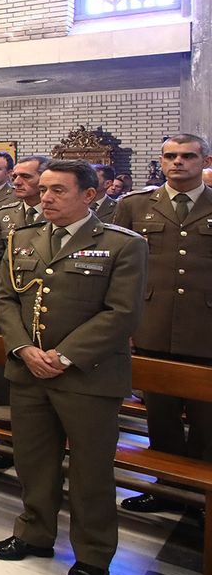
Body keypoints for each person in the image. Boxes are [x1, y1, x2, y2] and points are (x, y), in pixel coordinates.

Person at [0, 160, 145, 575]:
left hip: (87, 376)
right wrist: (23, 348)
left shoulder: (120, 244)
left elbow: (122, 313)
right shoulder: (25, 237)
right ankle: (34, 533)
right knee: (34, 461)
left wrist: (63, 355)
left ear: (89, 195)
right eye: (45, 189)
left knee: (91, 471)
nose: (46, 197)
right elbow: (6, 300)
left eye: (58, 190)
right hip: (28, 369)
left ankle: (92, 556)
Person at [113, 134, 212, 514]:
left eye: (188, 156)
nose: (178, 163)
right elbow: (119, 266)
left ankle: (201, 492)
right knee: (161, 412)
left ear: (203, 159)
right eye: (170, 156)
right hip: (151, 322)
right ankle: (167, 486)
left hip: (205, 327)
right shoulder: (137, 206)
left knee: (207, 416)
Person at [0, 155, 50, 300]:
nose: (17, 182)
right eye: (15, 176)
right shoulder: (5, 213)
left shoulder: (57, 215)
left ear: (45, 179)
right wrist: (3, 294)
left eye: (26, 177)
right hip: (7, 297)